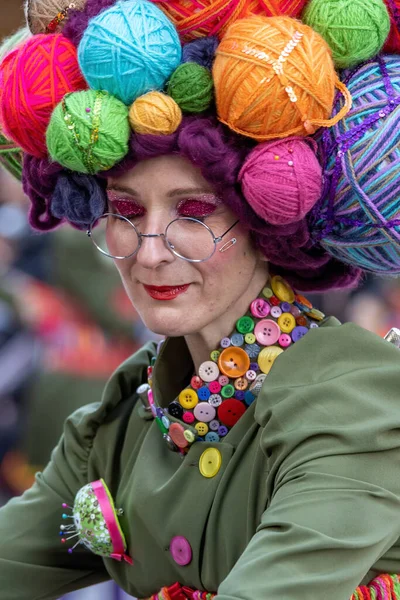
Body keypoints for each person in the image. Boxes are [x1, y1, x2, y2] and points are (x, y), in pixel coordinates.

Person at [1, 0, 400, 599]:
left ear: (265, 222)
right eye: (128, 211)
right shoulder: (122, 425)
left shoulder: (349, 405)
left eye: (193, 212)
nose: (151, 251)